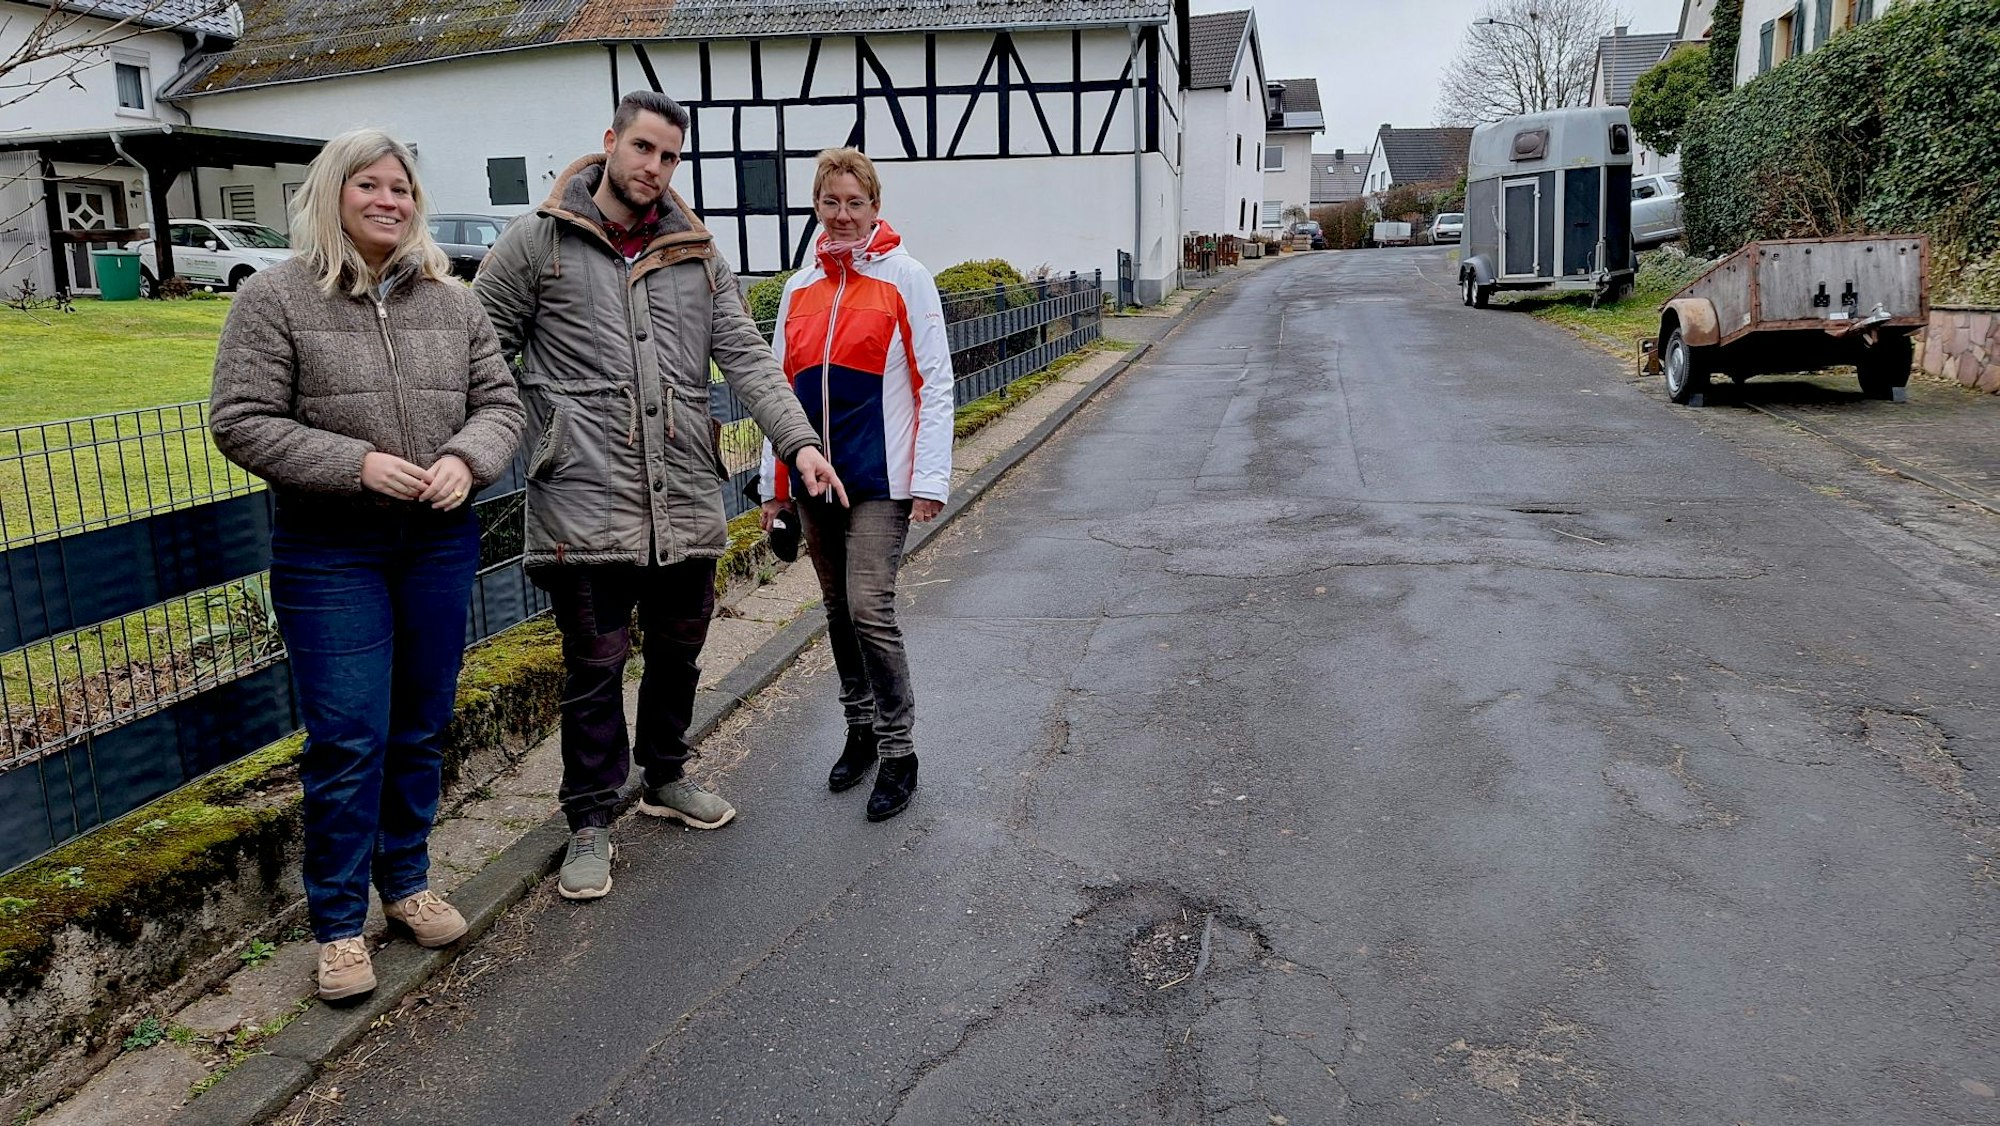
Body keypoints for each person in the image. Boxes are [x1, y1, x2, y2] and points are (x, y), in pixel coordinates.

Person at [476, 92, 845, 900]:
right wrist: (539, 428)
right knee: (595, 666)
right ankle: (590, 821)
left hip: (682, 492)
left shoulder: (698, 253)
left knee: (680, 647)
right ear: (609, 142)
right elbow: (481, 354)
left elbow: (746, 357)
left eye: (670, 156)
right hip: (583, 496)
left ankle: (667, 776)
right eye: (642, 148)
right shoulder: (537, 245)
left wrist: (801, 442)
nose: (654, 167)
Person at [209, 129, 525, 1001]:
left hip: (435, 540)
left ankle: (408, 883)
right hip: (330, 550)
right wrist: (354, 463)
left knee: (420, 724)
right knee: (350, 736)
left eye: (401, 187)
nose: (389, 200)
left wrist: (466, 458)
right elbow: (239, 418)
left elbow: (503, 403)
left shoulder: (452, 303)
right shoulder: (274, 299)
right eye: (368, 186)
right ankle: (340, 925)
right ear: (332, 195)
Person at [758, 147, 955, 822]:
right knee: (839, 611)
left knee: (871, 607)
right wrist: (774, 487)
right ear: (817, 206)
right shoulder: (798, 288)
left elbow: (936, 379)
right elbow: (778, 393)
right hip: (815, 483)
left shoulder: (906, 278)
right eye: (830, 202)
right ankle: (861, 728)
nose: (842, 216)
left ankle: (900, 751)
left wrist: (929, 477)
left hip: (880, 479)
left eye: (855, 203)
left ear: (875, 207)